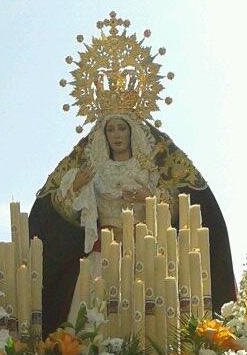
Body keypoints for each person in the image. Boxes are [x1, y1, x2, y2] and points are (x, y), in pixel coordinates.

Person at [30, 111, 234, 332]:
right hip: (103, 254)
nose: (116, 135)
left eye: (122, 128)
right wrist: (75, 186)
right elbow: (67, 213)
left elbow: (175, 209)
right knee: (94, 316)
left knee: (147, 315)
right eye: (110, 129)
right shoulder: (95, 171)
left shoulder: (148, 170)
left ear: (131, 132)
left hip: (143, 253)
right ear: (104, 135)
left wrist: (148, 198)